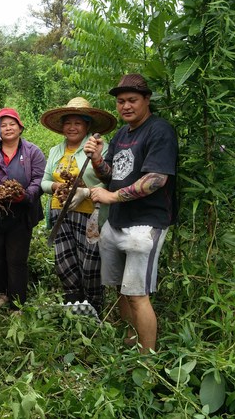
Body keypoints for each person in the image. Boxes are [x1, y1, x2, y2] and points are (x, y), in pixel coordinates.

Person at [83, 74, 178, 354]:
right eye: (121, 101)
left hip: (145, 225)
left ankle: (148, 361)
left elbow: (157, 179)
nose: (125, 106)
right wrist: (98, 159)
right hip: (117, 221)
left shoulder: (160, 131)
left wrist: (112, 196)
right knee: (122, 289)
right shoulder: (123, 134)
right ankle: (129, 340)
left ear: (147, 100)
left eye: (132, 100)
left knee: (138, 294)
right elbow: (112, 173)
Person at [40, 97, 117, 315]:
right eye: (68, 123)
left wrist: (85, 191)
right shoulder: (56, 150)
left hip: (91, 213)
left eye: (78, 123)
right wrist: (56, 186)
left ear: (87, 126)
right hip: (60, 213)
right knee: (65, 260)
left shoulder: (100, 148)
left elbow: (110, 179)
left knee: (90, 262)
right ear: (62, 127)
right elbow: (44, 182)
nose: (72, 127)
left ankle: (94, 308)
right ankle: (74, 307)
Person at [0, 108, 46, 310]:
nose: (8, 128)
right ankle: (2, 292)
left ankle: (18, 301)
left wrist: (26, 195)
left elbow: (39, 179)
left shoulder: (32, 151)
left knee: (16, 259)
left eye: (12, 124)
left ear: (20, 127)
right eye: (3, 125)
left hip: (21, 213)